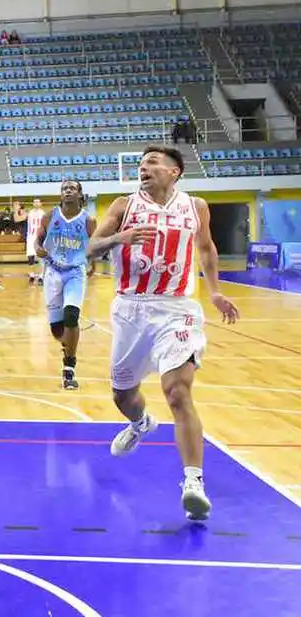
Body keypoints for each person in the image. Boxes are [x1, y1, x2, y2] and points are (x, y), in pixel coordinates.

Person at [86, 145, 239, 522]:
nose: (144, 168)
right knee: (123, 394)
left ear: (175, 171)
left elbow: (205, 248)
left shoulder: (196, 206)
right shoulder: (123, 206)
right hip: (131, 309)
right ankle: (140, 423)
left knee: (177, 391)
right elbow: (89, 248)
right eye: (141, 164)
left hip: (177, 309)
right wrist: (118, 240)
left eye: (152, 163)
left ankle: (193, 482)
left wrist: (215, 290)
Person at [34, 180, 95, 391]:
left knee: (71, 315)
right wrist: (37, 248)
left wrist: (92, 262)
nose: (67, 191)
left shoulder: (88, 220)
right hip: (52, 272)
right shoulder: (50, 216)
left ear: (79, 194)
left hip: (75, 273)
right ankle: (67, 344)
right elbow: (38, 239)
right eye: (64, 189)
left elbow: (94, 244)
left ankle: (69, 367)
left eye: (72, 188)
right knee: (57, 329)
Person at [25, 198, 46, 283]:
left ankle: (41, 277)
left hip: (39, 237)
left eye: (38, 202)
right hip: (30, 237)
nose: (36, 203)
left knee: (41, 258)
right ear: (33, 204)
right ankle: (32, 275)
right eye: (35, 202)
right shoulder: (29, 213)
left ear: (40, 204)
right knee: (30, 258)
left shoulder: (43, 213)